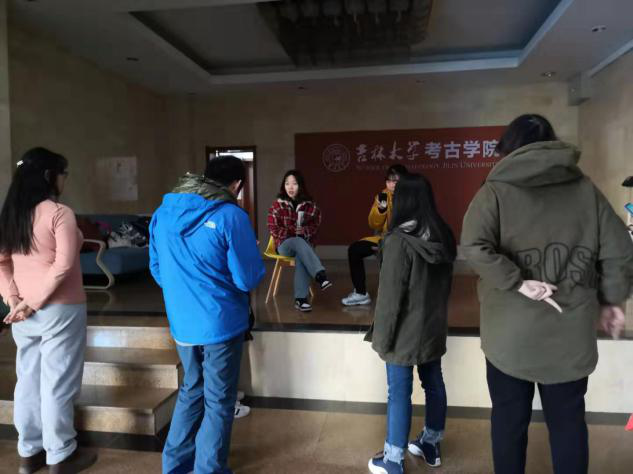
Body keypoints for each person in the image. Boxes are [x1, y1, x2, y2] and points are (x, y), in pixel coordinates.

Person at [461, 114, 633, 474]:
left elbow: (474, 247)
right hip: (569, 333)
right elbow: (620, 249)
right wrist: (613, 300)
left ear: (509, 147)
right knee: (568, 425)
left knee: (508, 422)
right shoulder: (585, 190)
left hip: (509, 336)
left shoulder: (494, 191)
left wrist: (517, 282)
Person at [150, 155, 265, 474]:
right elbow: (247, 278)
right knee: (219, 400)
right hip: (220, 323)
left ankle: (175, 465)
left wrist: (187, 290)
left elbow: (158, 270)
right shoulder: (231, 215)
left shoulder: (163, 212)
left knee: (191, 388)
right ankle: (209, 469)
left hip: (182, 323)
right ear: (236, 185)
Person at [0, 147, 97, 474]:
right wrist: (31, 301)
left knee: (28, 381)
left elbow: (2, 262)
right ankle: (60, 455)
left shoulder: (12, 214)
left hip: (23, 314)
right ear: (48, 176)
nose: (64, 180)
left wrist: (14, 299)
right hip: (61, 310)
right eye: (63, 173)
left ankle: (29, 454)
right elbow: (63, 265)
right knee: (59, 383)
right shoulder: (58, 212)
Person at [365, 173, 456, 474]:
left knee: (399, 394)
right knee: (434, 384)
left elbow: (390, 300)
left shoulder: (398, 242)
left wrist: (382, 339)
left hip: (403, 332)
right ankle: (430, 444)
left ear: (401, 201)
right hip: (432, 326)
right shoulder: (442, 235)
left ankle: (393, 460)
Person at [342, 164, 408, 306]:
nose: (392, 184)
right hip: (384, 238)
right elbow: (374, 225)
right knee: (355, 249)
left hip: (405, 240)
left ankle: (400, 294)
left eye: (396, 181)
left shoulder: (412, 197)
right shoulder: (382, 196)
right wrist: (381, 210)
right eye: (389, 181)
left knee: (391, 253)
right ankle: (361, 293)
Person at [267, 169, 331, 312]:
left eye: (294, 184)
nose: (290, 187)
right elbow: (273, 229)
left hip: (303, 246)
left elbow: (315, 226)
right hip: (284, 245)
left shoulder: (310, 205)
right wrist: (292, 231)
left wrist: (304, 231)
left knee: (301, 253)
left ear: (300, 185)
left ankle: (300, 300)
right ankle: (320, 275)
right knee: (297, 241)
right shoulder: (277, 205)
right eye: (287, 183)